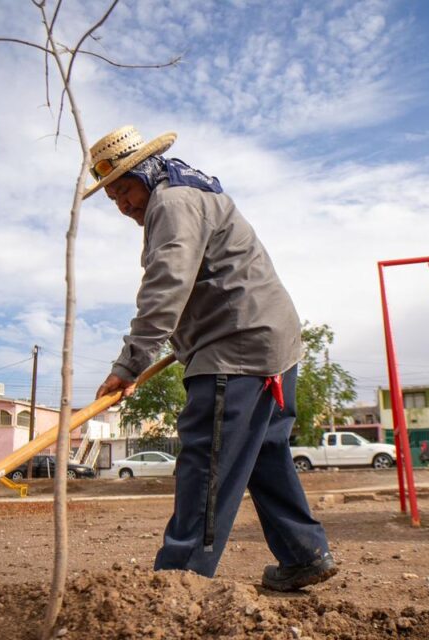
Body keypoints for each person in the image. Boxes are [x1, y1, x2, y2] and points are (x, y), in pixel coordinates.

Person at [89, 125, 336, 591]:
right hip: (271, 344)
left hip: (237, 351)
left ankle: (178, 582)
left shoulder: (173, 202)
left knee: (208, 461)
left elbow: (167, 287)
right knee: (263, 453)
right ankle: (305, 553)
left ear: (145, 173)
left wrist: (129, 364)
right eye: (111, 197)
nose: (121, 204)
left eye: (123, 189)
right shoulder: (191, 192)